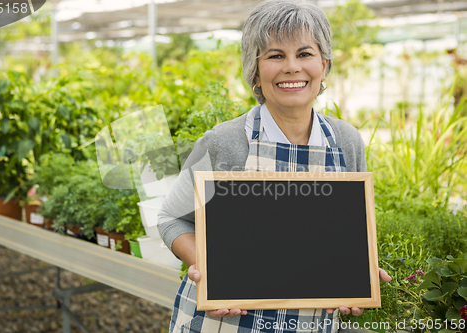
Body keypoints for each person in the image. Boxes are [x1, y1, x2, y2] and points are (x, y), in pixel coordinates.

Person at [157, 1, 391, 332]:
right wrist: (211, 270)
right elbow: (171, 218)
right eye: (275, 55)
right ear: (254, 69)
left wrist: (358, 274)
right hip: (226, 323)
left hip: (311, 322)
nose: (292, 67)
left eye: (305, 54)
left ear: (324, 65)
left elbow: (348, 230)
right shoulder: (224, 142)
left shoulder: (345, 141)